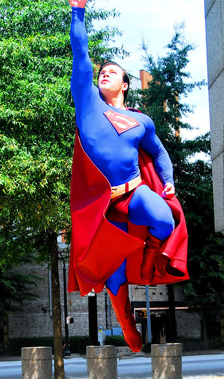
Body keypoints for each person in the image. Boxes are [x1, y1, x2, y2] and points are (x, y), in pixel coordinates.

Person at [67, 0, 189, 352]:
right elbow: (80, 51)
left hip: (134, 195)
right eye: (101, 70)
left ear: (125, 84)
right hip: (102, 209)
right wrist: (78, 10)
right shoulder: (87, 102)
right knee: (115, 277)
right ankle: (124, 320)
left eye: (112, 71)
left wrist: (167, 179)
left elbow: (159, 152)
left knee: (164, 218)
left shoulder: (142, 120)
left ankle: (151, 263)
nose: (104, 72)